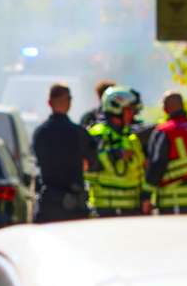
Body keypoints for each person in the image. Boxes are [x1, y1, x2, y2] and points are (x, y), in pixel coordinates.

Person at [30, 83, 92, 222]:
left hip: (48, 203)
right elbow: (93, 162)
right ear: (69, 103)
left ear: (49, 103)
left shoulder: (40, 133)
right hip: (73, 205)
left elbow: (36, 161)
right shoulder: (78, 133)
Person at [86, 86, 150, 216]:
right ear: (117, 108)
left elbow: (141, 173)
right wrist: (114, 155)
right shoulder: (97, 135)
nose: (132, 114)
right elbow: (88, 168)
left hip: (132, 210)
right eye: (129, 110)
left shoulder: (132, 138)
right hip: (105, 209)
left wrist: (145, 197)